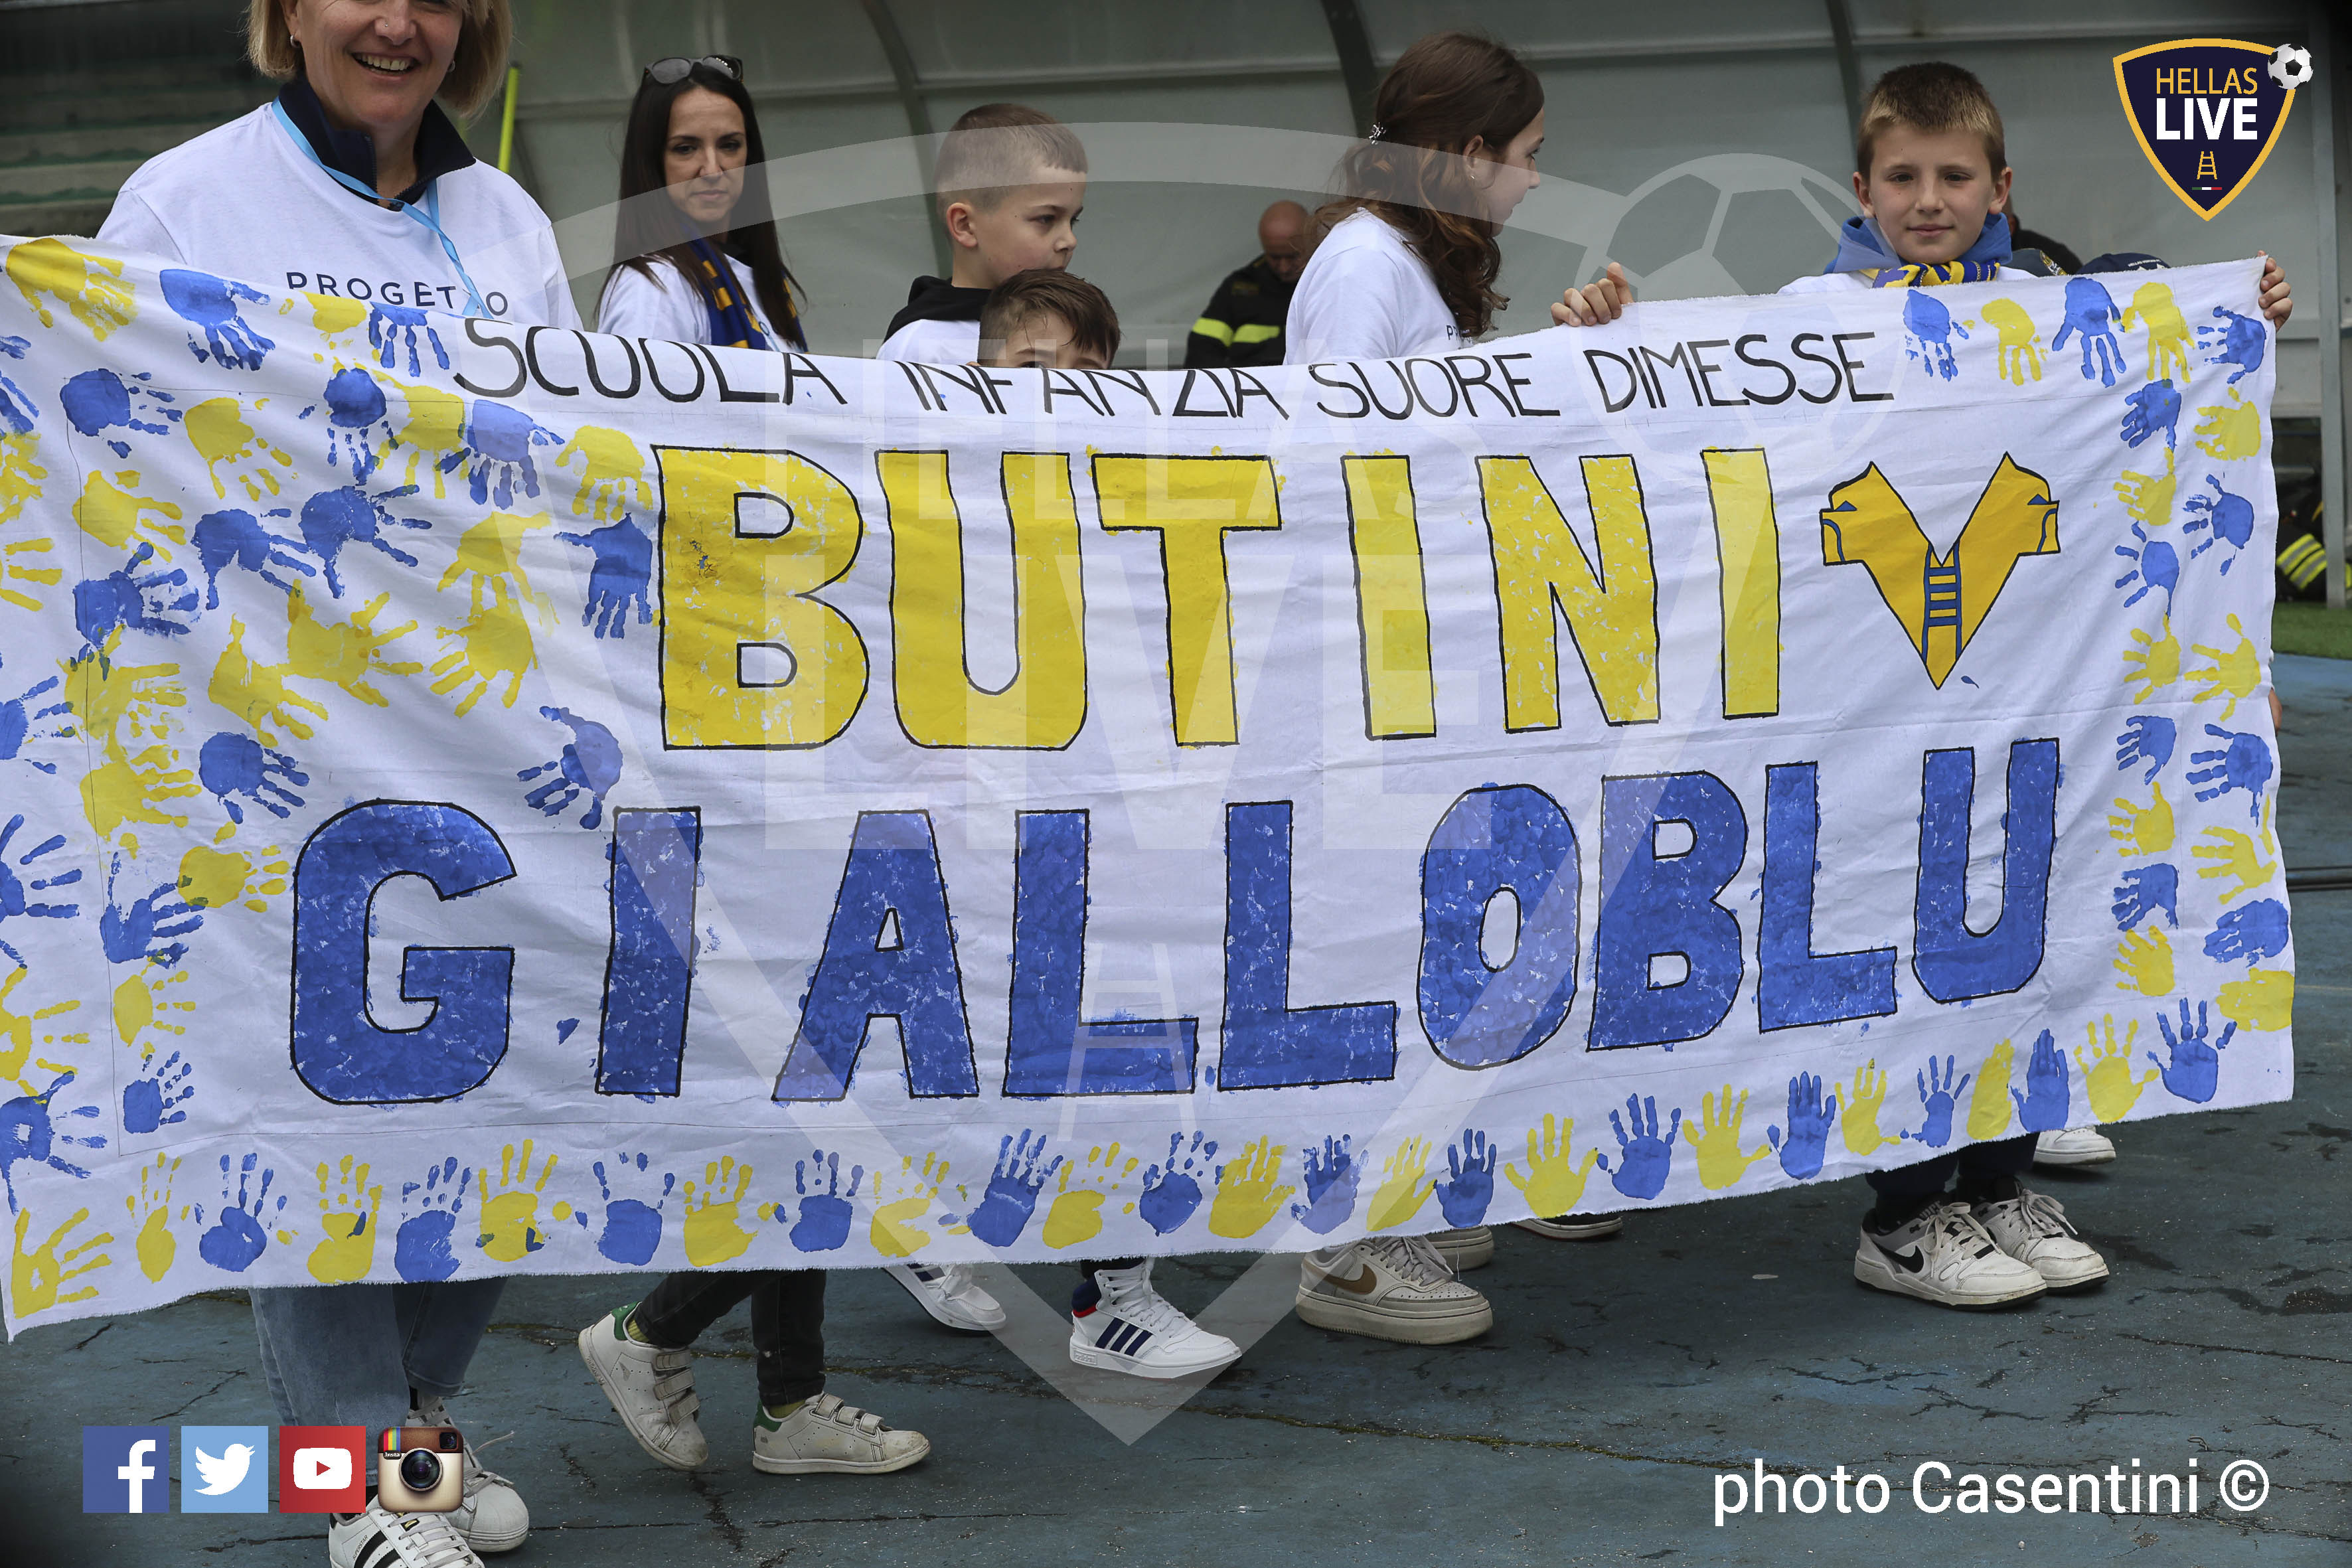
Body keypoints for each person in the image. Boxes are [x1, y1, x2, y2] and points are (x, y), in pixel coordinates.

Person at [95, 1, 568, 1562]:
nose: (397, 17)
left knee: (479, 1089)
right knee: (323, 1103)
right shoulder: (187, 198)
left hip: (480, 737)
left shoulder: (502, 214)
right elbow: (104, 448)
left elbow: (570, 458)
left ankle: (420, 1451)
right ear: (287, 11)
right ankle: (361, 1479)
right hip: (276, 753)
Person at [1774, 62, 2290, 1308]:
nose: (1928, 198)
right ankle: (1903, 1214)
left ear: (2001, 187)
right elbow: (1675, 411)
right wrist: (1602, 329)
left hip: (2024, 703)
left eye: (1955, 176)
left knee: (2024, 932)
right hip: (1878, 709)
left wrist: (2238, 312)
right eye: (1901, 176)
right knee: (1899, 942)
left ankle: (1995, 1182)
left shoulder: (2045, 311)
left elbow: (2158, 411)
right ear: (1860, 187)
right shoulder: (1803, 312)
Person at [1282, 31, 1632, 1342]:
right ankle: (1339, 1246)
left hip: (1409, 652)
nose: (1536, 183)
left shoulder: (1397, 261)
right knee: (1374, 933)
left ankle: (1378, 1201)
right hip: (1370, 659)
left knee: (1409, 924)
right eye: (1527, 156)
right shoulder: (1367, 267)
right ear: (1470, 152)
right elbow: (1343, 469)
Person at [594, 54, 803, 349]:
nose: (712, 170)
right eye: (685, 148)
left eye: (729, 145)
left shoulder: (762, 280)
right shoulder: (655, 288)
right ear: (652, 162)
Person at [877, 104, 1085, 362]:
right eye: (1046, 219)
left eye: (1073, 220)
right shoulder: (923, 347)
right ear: (965, 225)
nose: (1069, 241)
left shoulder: (1074, 332)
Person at [1182, 198, 1306, 368]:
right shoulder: (1239, 288)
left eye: (1293, 256)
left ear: (1311, 242)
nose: (1284, 268)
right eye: (1274, 257)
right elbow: (1203, 350)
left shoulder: (1329, 283)